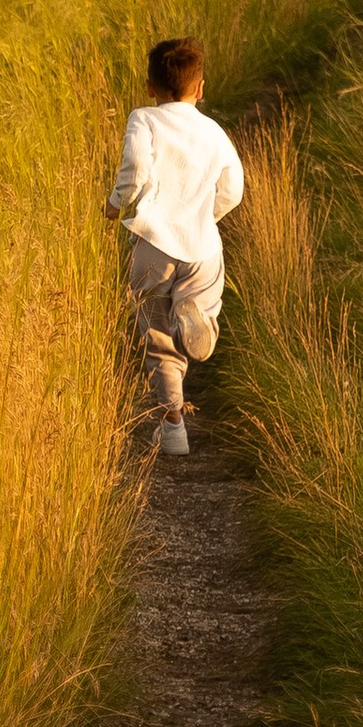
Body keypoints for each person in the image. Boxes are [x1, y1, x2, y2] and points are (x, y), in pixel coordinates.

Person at [108, 35, 245, 457]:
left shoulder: (144, 119)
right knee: (195, 315)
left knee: (156, 339)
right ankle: (199, 324)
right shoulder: (215, 131)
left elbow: (135, 167)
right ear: (200, 88)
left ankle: (173, 428)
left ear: (150, 87)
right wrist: (206, 213)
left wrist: (117, 204)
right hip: (204, 248)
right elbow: (234, 190)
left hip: (155, 242)